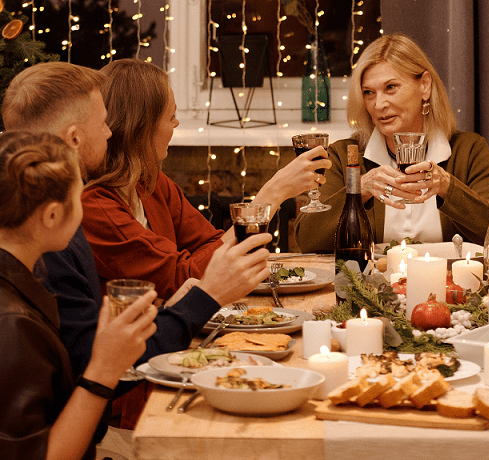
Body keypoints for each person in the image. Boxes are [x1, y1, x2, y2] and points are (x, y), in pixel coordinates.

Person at [1, 61, 271, 379]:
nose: (110, 131)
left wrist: (176, 303)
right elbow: (97, 369)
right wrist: (202, 296)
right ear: (74, 138)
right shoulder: (67, 228)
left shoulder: (141, 185)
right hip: (121, 402)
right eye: (102, 122)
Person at [80, 58, 331, 298]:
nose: (176, 123)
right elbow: (181, 277)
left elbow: (210, 243)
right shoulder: (95, 207)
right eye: (170, 117)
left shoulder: (150, 181)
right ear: (140, 129)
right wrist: (269, 197)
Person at [0, 131, 158, 460]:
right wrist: (105, 367)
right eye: (79, 196)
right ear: (53, 215)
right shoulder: (13, 326)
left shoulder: (26, 279)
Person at [294, 33, 489, 251]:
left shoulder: (469, 151)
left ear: (425, 86)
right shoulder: (344, 155)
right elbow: (308, 240)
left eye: (391, 87)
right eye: (368, 93)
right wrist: (359, 190)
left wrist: (447, 187)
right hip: (370, 284)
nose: (379, 104)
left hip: (449, 283)